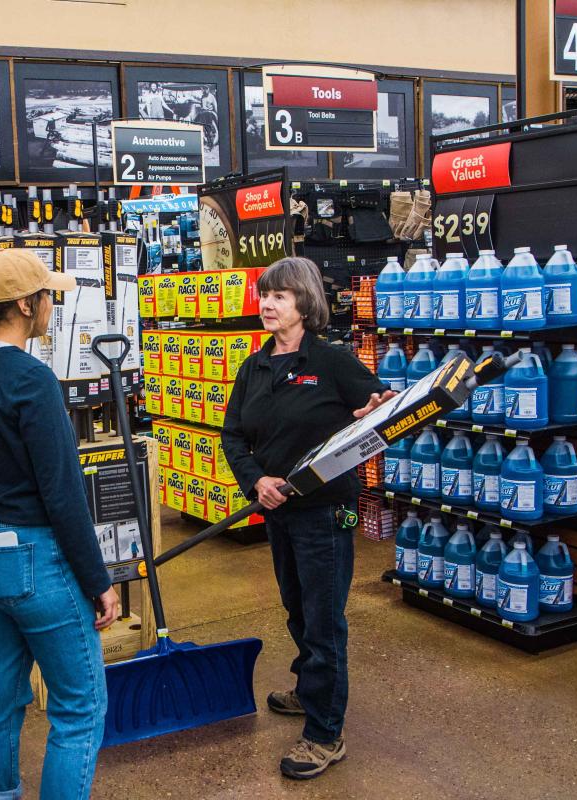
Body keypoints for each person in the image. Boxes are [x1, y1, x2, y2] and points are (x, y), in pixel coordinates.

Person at [0, 248, 121, 800]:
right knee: (80, 706)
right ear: (25, 304)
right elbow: (63, 495)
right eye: (48, 294)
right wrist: (98, 581)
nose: (53, 302)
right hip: (31, 559)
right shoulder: (32, 380)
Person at [220, 257, 394, 781]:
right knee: (296, 608)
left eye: (280, 296)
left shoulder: (333, 360)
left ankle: (324, 733)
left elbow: (380, 409)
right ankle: (309, 688)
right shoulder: (254, 366)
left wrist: (370, 412)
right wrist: (256, 480)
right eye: (264, 295)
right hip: (277, 510)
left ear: (306, 303)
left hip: (324, 513)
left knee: (323, 622)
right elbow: (234, 435)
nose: (267, 304)